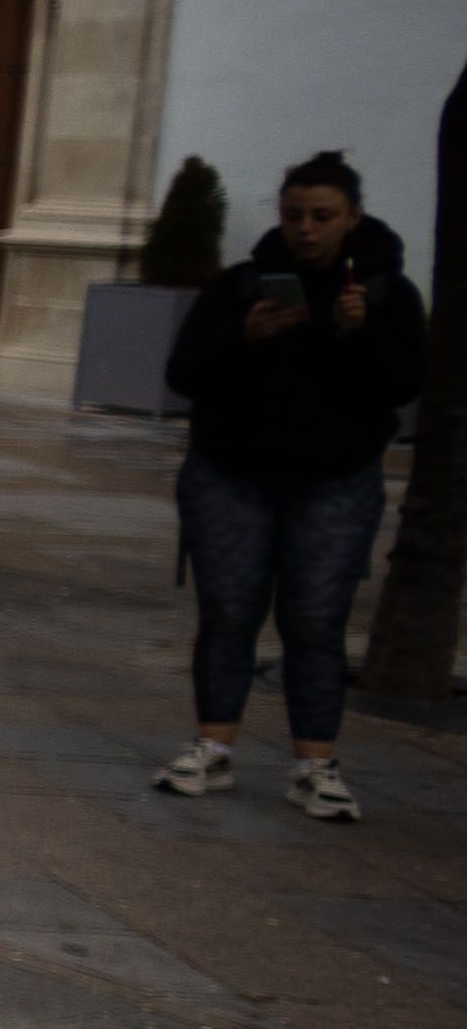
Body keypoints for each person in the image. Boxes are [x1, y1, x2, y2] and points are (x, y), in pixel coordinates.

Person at [157, 150, 429, 822]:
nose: (306, 228)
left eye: (322, 216)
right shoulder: (242, 285)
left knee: (315, 618)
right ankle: (212, 750)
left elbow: (401, 386)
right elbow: (184, 372)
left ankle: (315, 765)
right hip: (232, 472)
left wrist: (357, 334)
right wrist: (241, 336)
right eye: (294, 215)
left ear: (353, 216)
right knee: (228, 609)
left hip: (334, 479)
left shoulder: (389, 293)